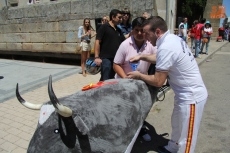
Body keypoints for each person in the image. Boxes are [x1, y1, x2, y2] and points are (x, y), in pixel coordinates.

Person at [127, 16, 208, 153]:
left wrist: (139, 75)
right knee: (177, 124)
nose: (145, 37)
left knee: (187, 137)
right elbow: (161, 57)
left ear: (157, 32)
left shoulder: (166, 46)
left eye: (147, 33)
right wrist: (141, 56)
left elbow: (159, 81)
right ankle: (172, 147)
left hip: (191, 96)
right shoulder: (172, 39)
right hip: (182, 94)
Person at [113, 17, 157, 141]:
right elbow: (116, 64)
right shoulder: (125, 45)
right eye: (136, 30)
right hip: (124, 84)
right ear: (132, 31)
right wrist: (125, 78)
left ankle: (140, 129)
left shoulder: (150, 44)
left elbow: (159, 57)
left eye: (142, 31)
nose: (139, 33)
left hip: (141, 84)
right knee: (124, 108)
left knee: (140, 108)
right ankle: (123, 132)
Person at [94, 9, 125, 81]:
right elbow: (97, 41)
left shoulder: (118, 30)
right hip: (106, 59)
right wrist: (96, 57)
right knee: (105, 78)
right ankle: (102, 91)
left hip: (116, 59)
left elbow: (124, 41)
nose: (121, 19)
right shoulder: (104, 27)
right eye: (119, 17)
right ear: (113, 17)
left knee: (111, 79)